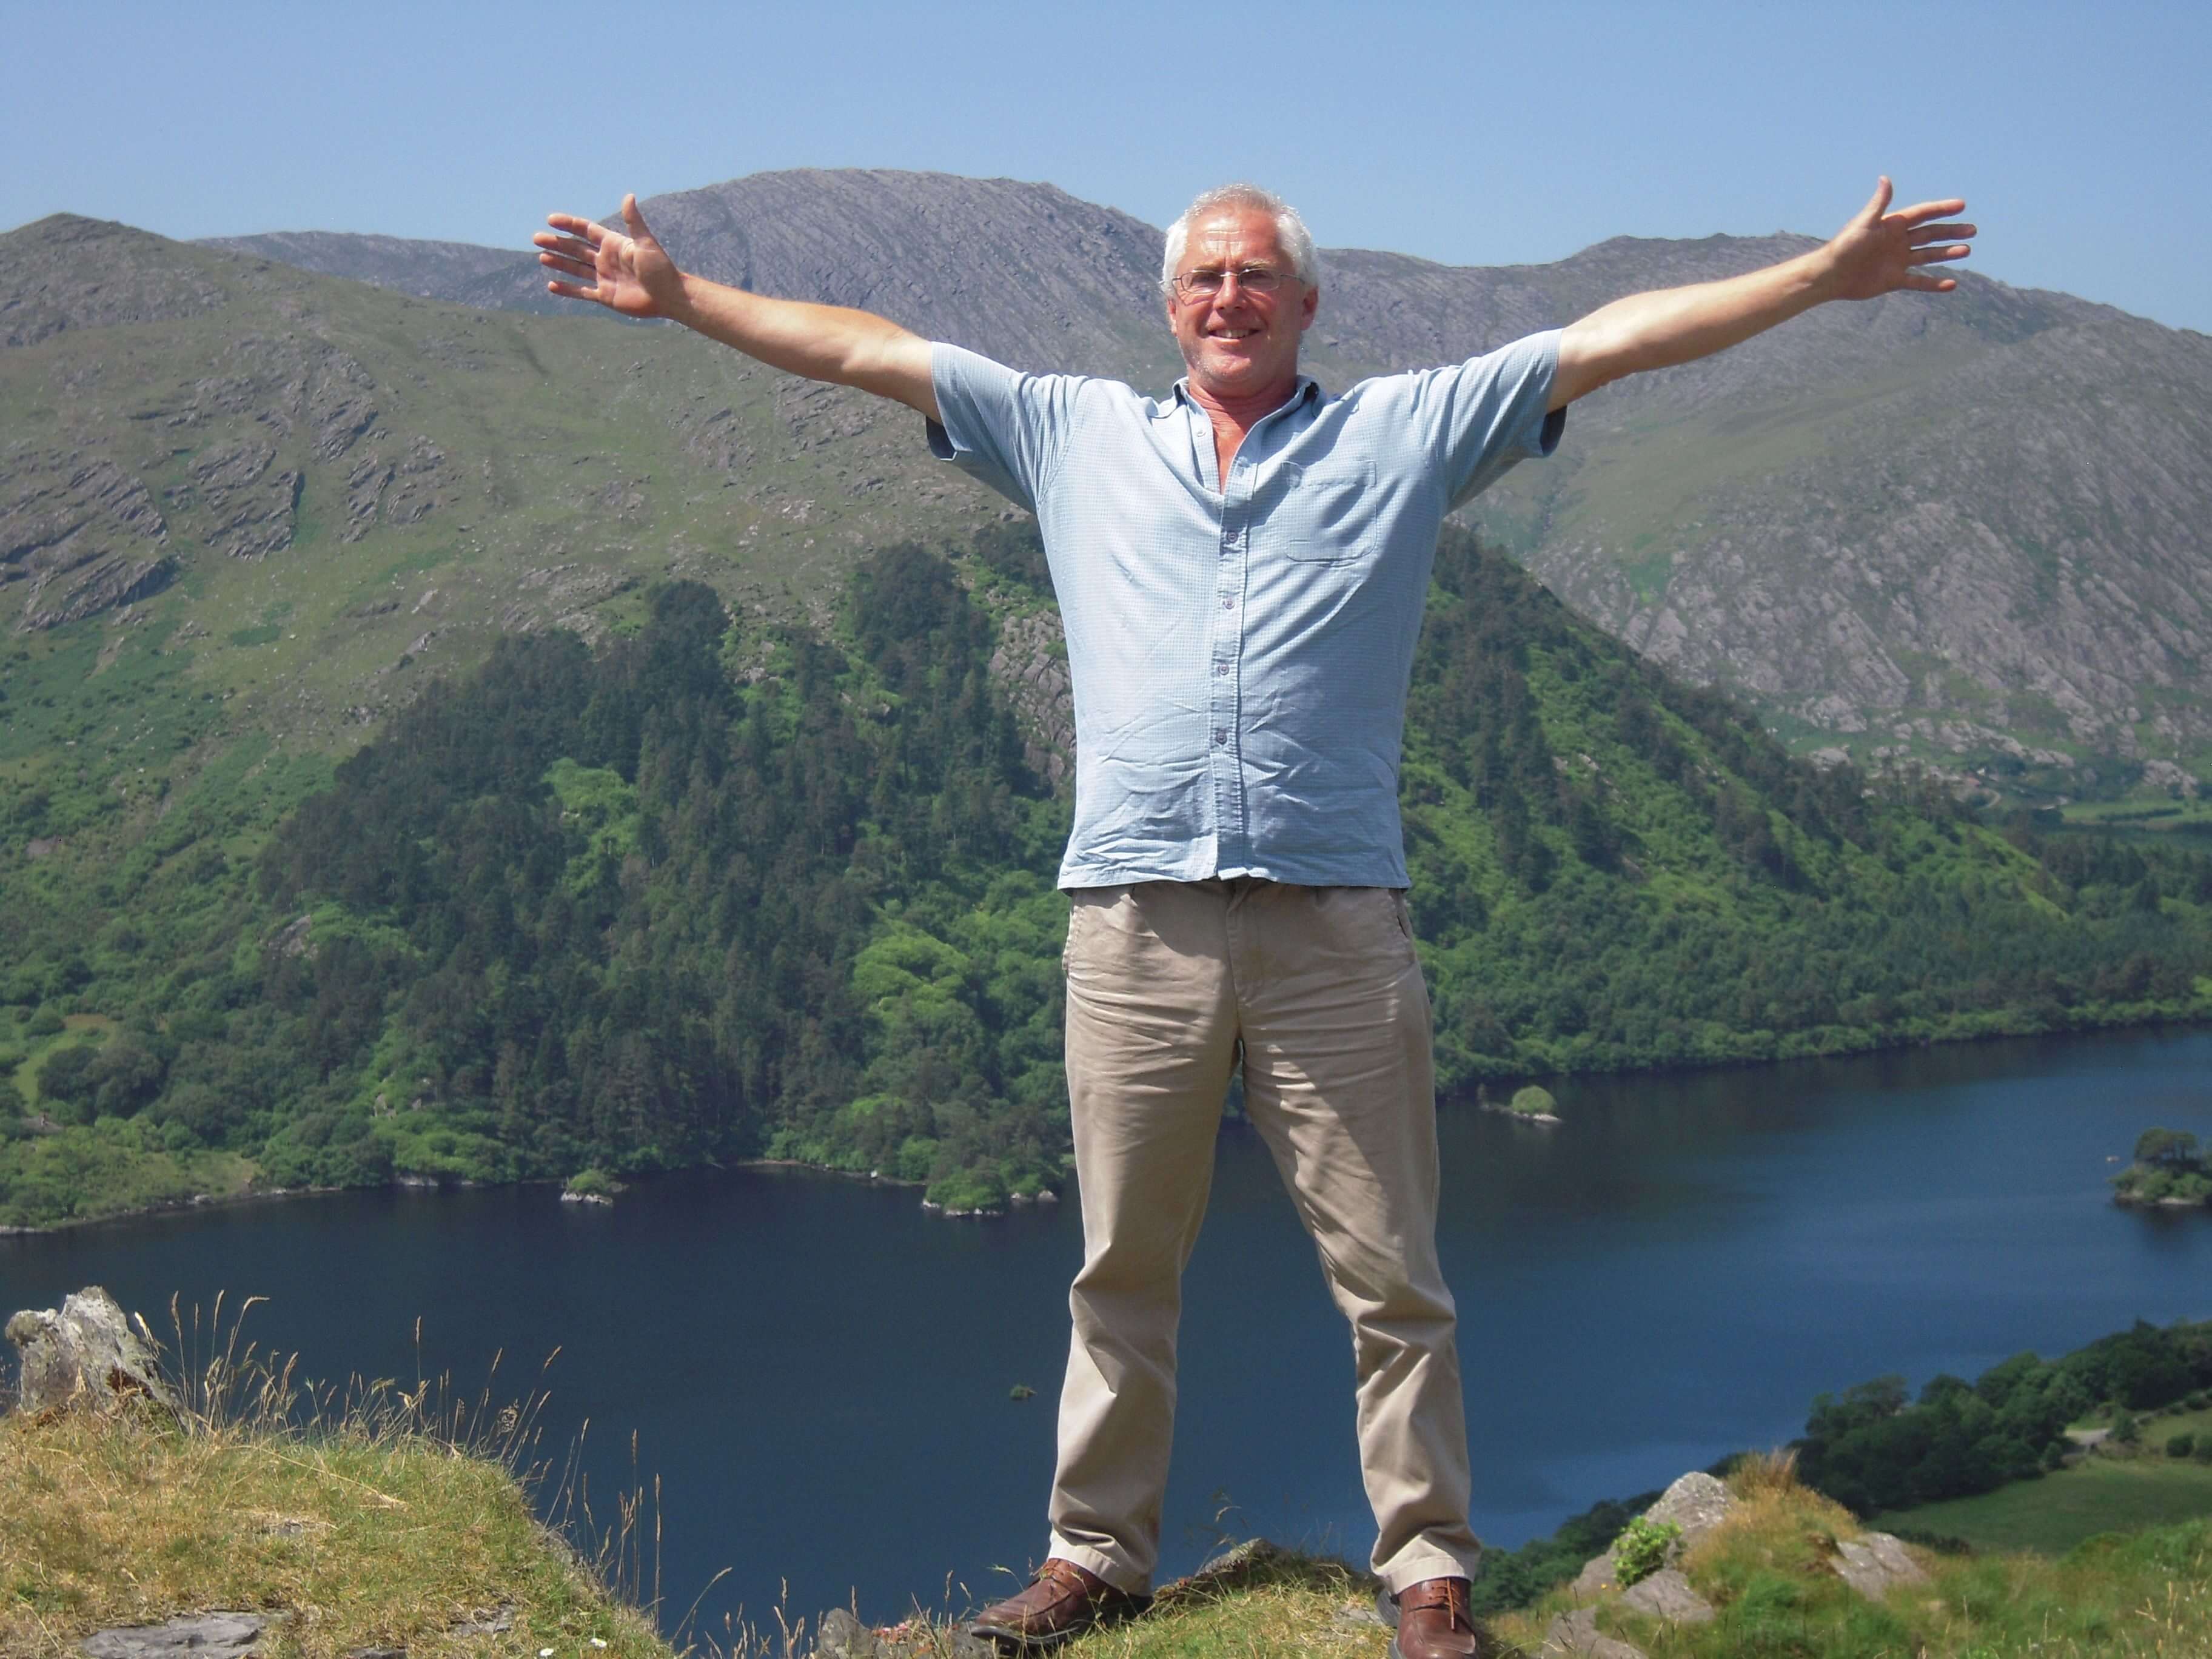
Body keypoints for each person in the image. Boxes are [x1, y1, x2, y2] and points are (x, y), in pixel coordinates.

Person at [537, 176, 1973, 1658]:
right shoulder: (1071, 432)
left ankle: (1427, 1578)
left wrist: (1821, 274)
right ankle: (1095, 1561)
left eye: (1257, 278)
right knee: (1120, 1270)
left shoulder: (1405, 432)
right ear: (1173, 305)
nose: (1230, 298)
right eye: (1206, 278)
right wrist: (684, 296)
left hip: (1334, 929)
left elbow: (1607, 341)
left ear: (1305, 304)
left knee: (1394, 1279)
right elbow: (866, 350)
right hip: (1135, 924)